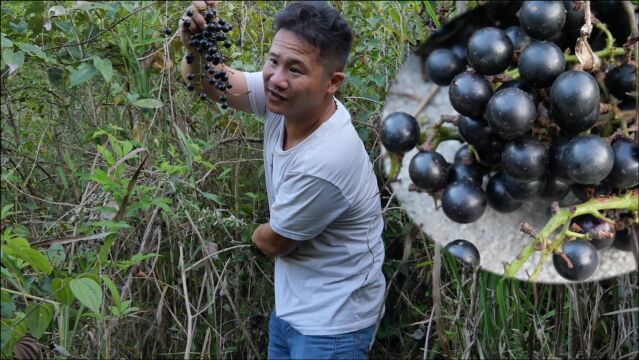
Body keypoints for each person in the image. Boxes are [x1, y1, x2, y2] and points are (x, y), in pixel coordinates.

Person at [180, 1, 386, 358]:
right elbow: (209, 84)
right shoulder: (287, 100)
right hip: (294, 307)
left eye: (295, 69)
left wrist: (252, 233)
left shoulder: (327, 157)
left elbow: (275, 242)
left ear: (332, 83)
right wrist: (195, 47)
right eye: (273, 61)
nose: (276, 78)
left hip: (332, 325)